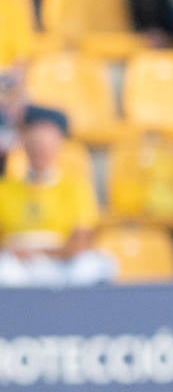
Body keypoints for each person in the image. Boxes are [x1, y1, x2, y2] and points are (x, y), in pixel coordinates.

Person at [0, 105, 115, 288]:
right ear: (25, 148)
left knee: (95, 265)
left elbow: (80, 242)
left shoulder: (76, 188)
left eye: (45, 148)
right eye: (35, 147)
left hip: (59, 262)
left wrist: (39, 253)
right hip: (18, 265)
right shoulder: (4, 189)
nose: (40, 154)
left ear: (57, 148)